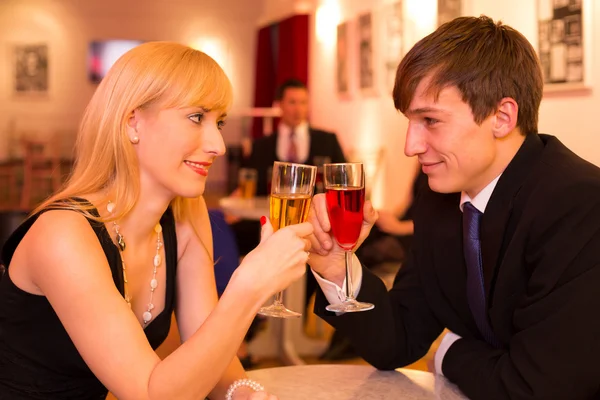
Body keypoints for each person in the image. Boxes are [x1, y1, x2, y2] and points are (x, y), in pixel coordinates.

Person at [0, 42, 314, 400]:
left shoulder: (185, 212)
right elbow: (151, 394)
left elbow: (213, 358)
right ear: (133, 122)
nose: (219, 145)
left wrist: (251, 396)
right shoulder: (63, 236)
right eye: (197, 117)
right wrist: (249, 286)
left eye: (220, 122)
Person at [307, 16, 600, 400]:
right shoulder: (441, 198)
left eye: (430, 120)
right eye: (411, 121)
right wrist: (336, 265)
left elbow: (533, 388)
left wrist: (447, 351)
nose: (411, 146)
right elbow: (399, 340)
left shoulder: (580, 206)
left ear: (502, 117)